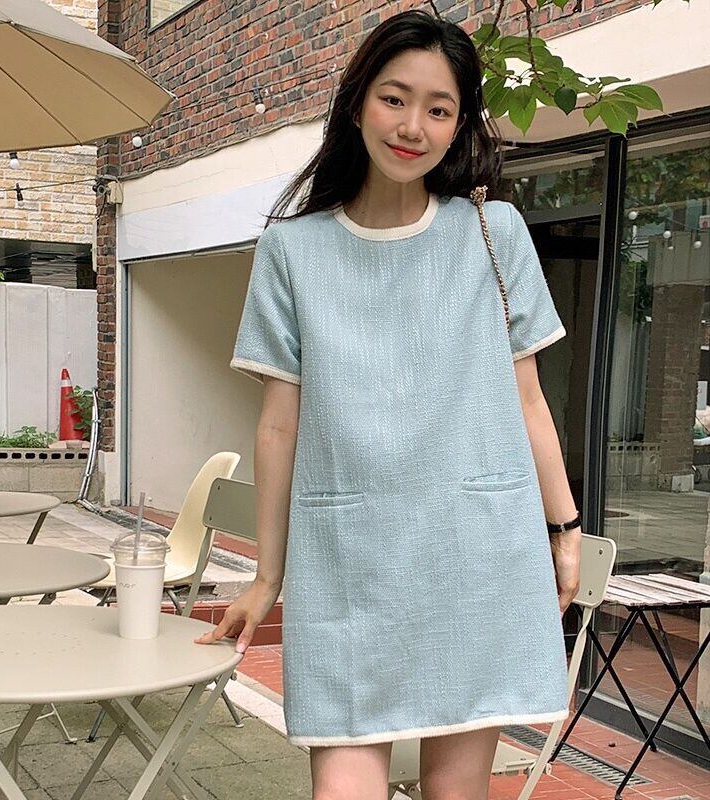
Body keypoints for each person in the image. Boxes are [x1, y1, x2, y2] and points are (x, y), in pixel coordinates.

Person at [195, 8, 582, 800]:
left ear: (460, 126)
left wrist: (566, 528)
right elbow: (279, 425)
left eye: (439, 109)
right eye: (394, 99)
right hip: (349, 566)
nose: (413, 127)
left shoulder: (494, 233)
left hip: (475, 559)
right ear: (357, 102)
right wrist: (267, 576)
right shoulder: (292, 249)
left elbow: (528, 400)